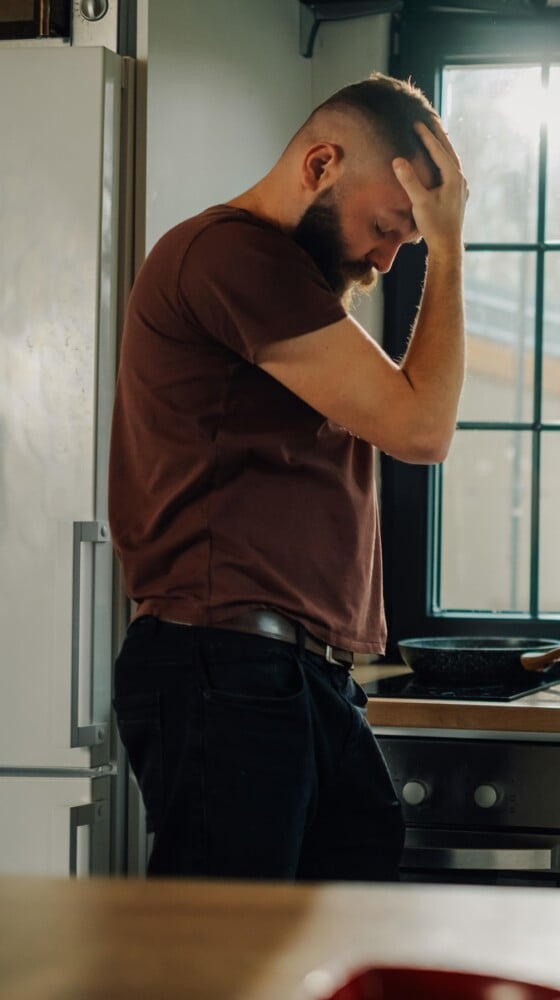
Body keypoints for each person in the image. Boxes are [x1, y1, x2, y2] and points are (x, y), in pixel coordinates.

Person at [108, 73, 468, 881]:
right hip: (227, 667)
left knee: (334, 933)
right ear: (321, 164)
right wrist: (449, 249)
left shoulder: (291, 291)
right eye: (387, 226)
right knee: (222, 965)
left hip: (292, 675)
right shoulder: (230, 254)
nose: (385, 258)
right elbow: (420, 428)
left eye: (408, 242)